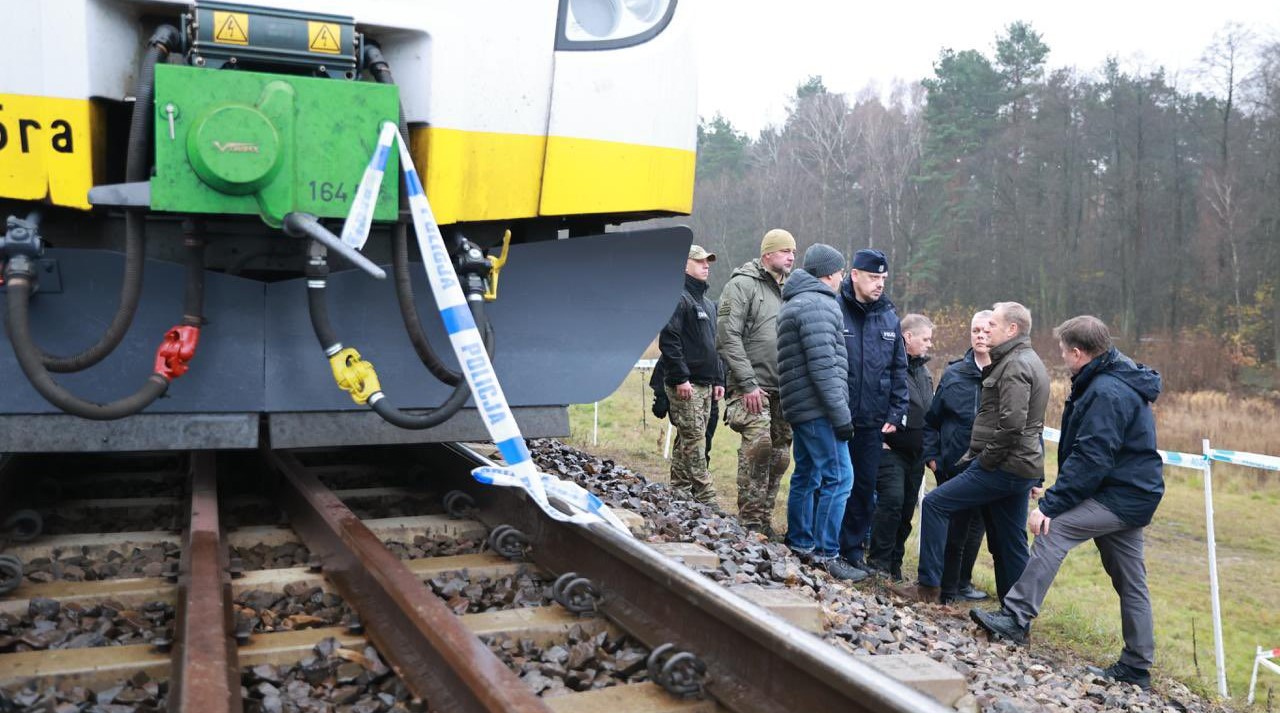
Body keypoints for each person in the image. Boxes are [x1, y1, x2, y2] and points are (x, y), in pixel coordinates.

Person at [971, 316, 1163, 690]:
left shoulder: (1107, 391)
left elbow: (1093, 457)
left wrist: (1053, 503)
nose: (1060, 357)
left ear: (1078, 353)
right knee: (1131, 581)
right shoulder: (1110, 378)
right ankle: (1137, 667)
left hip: (1121, 495)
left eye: (1062, 351)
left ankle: (1015, 617)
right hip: (1132, 491)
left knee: (1051, 529)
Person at [895, 301, 1049, 604]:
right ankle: (1014, 616)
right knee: (1010, 541)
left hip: (1003, 465)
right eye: (981, 326)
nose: (986, 330)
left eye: (993, 324)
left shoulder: (1016, 364)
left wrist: (985, 461)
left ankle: (928, 588)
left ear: (1012, 329)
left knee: (936, 504)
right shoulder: (1023, 359)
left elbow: (1014, 425)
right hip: (1018, 465)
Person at [776, 244, 865, 581]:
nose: (843, 277)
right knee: (839, 478)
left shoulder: (796, 301)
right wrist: (840, 416)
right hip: (819, 410)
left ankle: (800, 542)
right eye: (840, 271)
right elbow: (824, 367)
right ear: (828, 274)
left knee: (808, 474)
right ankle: (826, 553)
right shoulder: (819, 305)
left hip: (801, 407)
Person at [717, 228, 797, 536]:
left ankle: (765, 520)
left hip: (784, 389)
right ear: (767, 254)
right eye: (784, 250)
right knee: (759, 447)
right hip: (750, 386)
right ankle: (749, 522)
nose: (791, 255)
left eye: (794, 250)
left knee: (780, 456)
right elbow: (727, 336)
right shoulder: (742, 285)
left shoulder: (792, 290)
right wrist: (748, 383)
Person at [836, 248, 908, 569]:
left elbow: (898, 370)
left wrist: (896, 412)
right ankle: (823, 543)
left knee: (864, 487)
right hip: (839, 415)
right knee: (834, 482)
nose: (879, 284)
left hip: (873, 420)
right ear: (854, 275)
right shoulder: (836, 309)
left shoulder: (889, 316)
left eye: (883, 278)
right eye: (873, 277)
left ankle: (852, 549)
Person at [922, 310, 995, 603]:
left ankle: (963, 582)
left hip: (989, 467)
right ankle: (944, 588)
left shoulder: (1007, 374)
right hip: (953, 465)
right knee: (953, 529)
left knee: (976, 529)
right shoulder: (954, 373)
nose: (980, 336)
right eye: (976, 330)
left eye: (986, 331)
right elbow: (933, 420)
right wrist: (932, 455)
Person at [866, 313, 934, 580]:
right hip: (890, 450)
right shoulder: (887, 366)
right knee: (891, 502)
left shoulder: (924, 372)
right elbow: (872, 400)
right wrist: (878, 438)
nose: (929, 344)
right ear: (908, 337)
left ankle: (895, 563)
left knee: (907, 509)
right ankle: (879, 562)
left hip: (917, 454)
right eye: (925, 339)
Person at [655, 245, 725, 504]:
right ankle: (707, 497)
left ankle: (680, 490)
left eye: (708, 262)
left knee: (689, 437)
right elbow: (670, 341)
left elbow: (714, 345)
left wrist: (718, 379)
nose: (706, 265)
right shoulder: (678, 298)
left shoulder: (707, 303)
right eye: (699, 261)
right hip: (686, 384)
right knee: (695, 440)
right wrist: (681, 377)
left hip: (707, 384)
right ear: (684, 266)